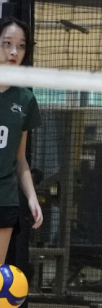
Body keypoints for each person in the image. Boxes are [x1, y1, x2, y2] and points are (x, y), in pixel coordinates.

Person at [0, 17, 43, 266]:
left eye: (21, 46)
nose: (14, 51)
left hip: (4, 198)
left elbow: (20, 160)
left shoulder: (25, 100)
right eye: (7, 43)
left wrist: (32, 198)